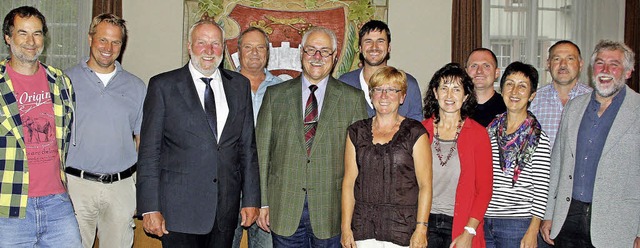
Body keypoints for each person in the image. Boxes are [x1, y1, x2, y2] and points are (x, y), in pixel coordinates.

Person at [136, 19, 260, 247]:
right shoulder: (163, 86)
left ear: (223, 48)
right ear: (189, 46)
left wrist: (251, 199)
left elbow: (247, 148)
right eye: (202, 43)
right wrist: (150, 206)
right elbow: (149, 152)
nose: (209, 51)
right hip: (178, 212)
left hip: (224, 212)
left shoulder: (239, 86)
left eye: (216, 44)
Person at [256, 26, 368, 247]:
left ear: (335, 57)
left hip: (331, 212)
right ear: (301, 53)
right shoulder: (275, 96)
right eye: (311, 50)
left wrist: (356, 212)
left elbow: (361, 162)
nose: (317, 57)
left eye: (325, 51)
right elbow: (261, 154)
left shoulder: (352, 99)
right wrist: (263, 203)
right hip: (284, 208)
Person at [541, 40, 640, 248]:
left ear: (628, 72)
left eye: (614, 64)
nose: (605, 70)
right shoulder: (575, 107)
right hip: (568, 218)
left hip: (618, 225)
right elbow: (557, 164)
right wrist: (549, 214)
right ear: (591, 68)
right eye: (600, 63)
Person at [0, 6, 82, 247]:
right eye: (22, 33)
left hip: (57, 203)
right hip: (9, 205)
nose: (31, 41)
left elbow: (64, 140)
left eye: (37, 33)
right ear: (8, 37)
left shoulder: (61, 82)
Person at [63, 13, 145, 248]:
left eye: (116, 42)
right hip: (76, 186)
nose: (108, 48)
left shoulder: (137, 87)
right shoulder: (65, 81)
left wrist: (140, 188)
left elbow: (142, 141)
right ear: (90, 39)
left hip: (121, 187)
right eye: (102, 40)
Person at [341, 66, 432, 248]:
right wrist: (345, 228)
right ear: (371, 95)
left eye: (392, 90)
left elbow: (425, 186)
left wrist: (421, 229)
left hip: (403, 230)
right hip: (363, 228)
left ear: (402, 97)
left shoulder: (415, 132)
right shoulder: (356, 132)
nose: (384, 96)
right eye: (378, 90)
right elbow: (349, 183)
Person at [422, 63, 493, 248]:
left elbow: (484, 190)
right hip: (424, 223)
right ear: (435, 93)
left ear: (466, 95)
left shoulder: (478, 134)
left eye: (456, 89)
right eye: (444, 88)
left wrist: (469, 232)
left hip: (461, 225)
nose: (449, 95)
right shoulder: (420, 131)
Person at [484, 62, 551, 248]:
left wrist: (532, 230)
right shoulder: (489, 131)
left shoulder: (538, 138)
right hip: (486, 220)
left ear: (532, 95)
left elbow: (542, 189)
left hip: (518, 223)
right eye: (509, 84)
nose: (514, 91)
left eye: (522, 86)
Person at [232, 26, 282, 248]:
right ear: (238, 51)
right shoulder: (221, 86)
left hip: (267, 190)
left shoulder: (283, 89)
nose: (254, 52)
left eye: (260, 47)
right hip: (228, 187)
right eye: (248, 47)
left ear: (268, 52)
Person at [338, 20, 422, 121]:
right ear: (360, 48)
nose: (374, 47)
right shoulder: (345, 84)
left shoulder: (408, 84)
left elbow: (417, 130)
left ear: (389, 47)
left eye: (380, 41)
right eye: (368, 41)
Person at [530, 40, 591, 148]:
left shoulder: (593, 99)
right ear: (548, 64)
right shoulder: (533, 100)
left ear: (580, 64)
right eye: (557, 59)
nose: (563, 64)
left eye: (570, 59)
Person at [465, 48, 506, 127]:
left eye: (486, 66)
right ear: (466, 72)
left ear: (496, 73)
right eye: (474, 66)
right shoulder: (456, 107)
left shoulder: (507, 109)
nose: (479, 71)